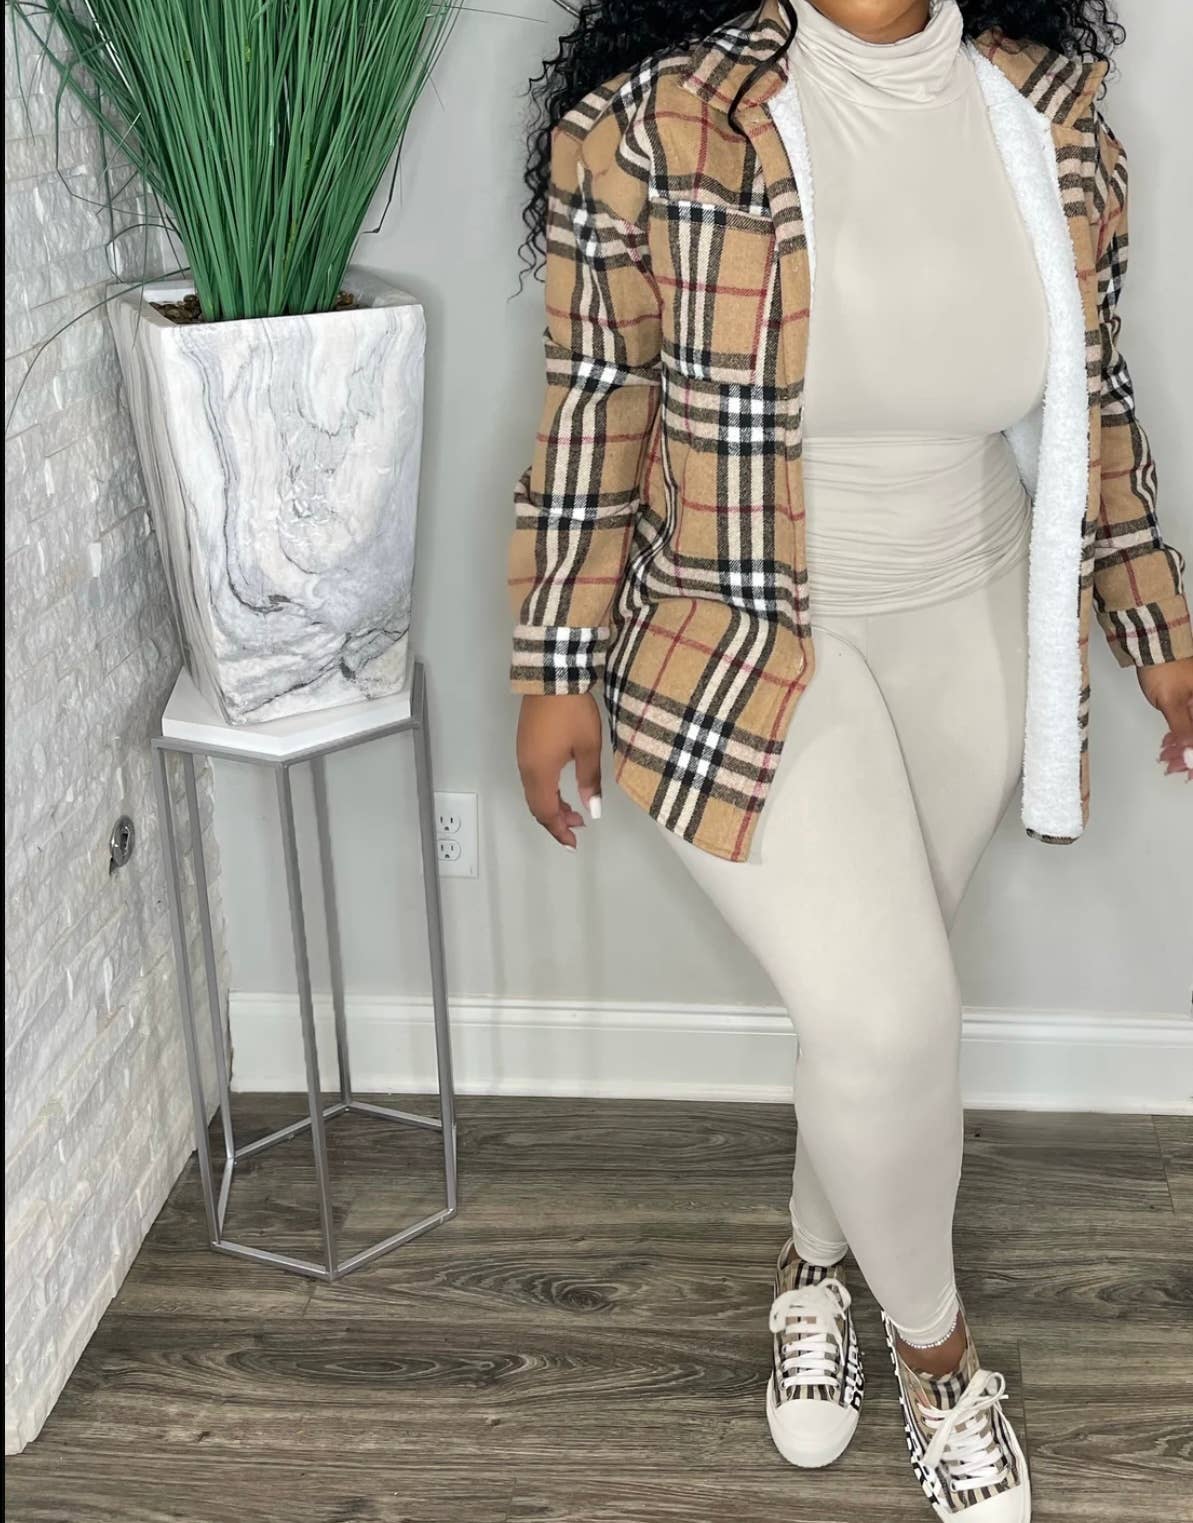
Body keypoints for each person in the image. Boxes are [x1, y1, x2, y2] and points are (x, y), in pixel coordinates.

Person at [508, 2, 1193, 1518]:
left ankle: (813, 1266)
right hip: (739, 636)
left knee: (880, 1016)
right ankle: (939, 1362)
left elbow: (1096, 397)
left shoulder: (1054, 116)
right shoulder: (649, 126)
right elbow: (594, 409)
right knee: (887, 1022)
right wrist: (553, 666)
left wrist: (1154, 626)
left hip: (976, 622)